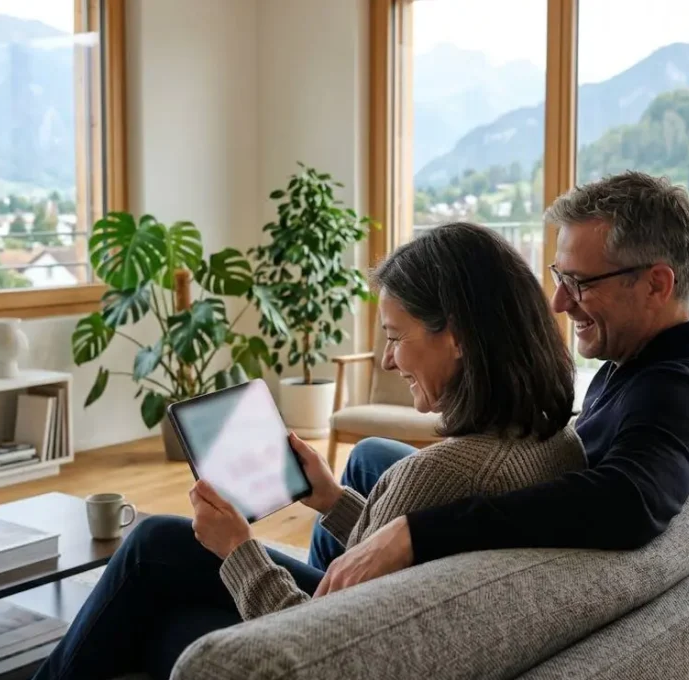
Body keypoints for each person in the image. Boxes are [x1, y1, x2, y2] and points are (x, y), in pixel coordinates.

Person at [32, 222, 585, 680]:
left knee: (153, 552)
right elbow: (392, 572)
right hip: (421, 639)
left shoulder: (441, 472)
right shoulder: (555, 441)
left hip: (356, 650)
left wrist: (237, 547)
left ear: (457, 337)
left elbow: (319, 641)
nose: (387, 360)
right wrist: (331, 500)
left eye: (395, 336)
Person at [308, 170, 689, 596]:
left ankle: (307, 614)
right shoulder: (645, 361)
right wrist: (334, 501)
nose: (559, 302)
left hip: (512, 535)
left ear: (656, 285)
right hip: (522, 494)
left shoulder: (678, 391)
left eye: (578, 282)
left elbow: (629, 501)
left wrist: (417, 532)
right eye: (560, 277)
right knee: (368, 457)